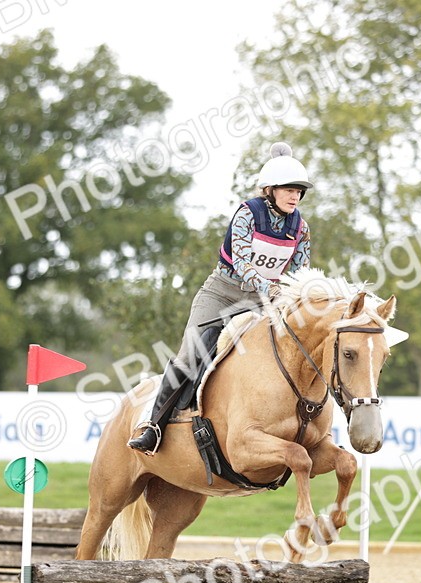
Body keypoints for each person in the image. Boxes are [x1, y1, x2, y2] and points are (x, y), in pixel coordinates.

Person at [127, 142, 313, 453]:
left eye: (299, 191)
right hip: (222, 293)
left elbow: (299, 272)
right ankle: (153, 427)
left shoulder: (301, 229)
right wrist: (271, 288)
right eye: (289, 190)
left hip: (262, 301)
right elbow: (241, 262)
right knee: (190, 355)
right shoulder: (247, 214)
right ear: (270, 190)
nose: (295, 196)